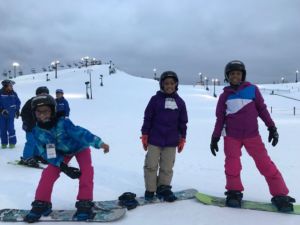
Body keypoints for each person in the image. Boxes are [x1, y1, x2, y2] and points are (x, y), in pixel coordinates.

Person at [210, 60, 295, 212]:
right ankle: (234, 192)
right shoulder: (224, 96)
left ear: (243, 75)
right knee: (232, 165)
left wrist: (271, 127)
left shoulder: (252, 90)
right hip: (231, 136)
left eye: (238, 73)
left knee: (265, 164)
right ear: (227, 76)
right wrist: (215, 137)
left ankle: (280, 194)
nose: (235, 76)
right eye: (232, 74)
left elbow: (262, 110)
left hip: (252, 135)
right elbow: (220, 118)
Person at [24, 94, 109, 223]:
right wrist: (63, 166)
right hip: (62, 153)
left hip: (80, 148)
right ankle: (42, 202)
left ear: (52, 111)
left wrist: (99, 143)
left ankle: (84, 202)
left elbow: (80, 133)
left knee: (86, 171)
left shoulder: (63, 123)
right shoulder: (37, 131)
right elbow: (46, 152)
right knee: (48, 173)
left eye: (46, 111)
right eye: (38, 112)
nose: (42, 115)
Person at [141, 71, 188, 202]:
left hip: (171, 141)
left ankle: (163, 188)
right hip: (154, 139)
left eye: (172, 83)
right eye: (166, 83)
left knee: (167, 167)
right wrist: (145, 134)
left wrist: (182, 138)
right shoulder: (155, 100)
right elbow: (148, 118)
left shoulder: (180, 102)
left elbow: (183, 123)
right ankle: (150, 189)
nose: (169, 86)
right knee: (151, 165)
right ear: (162, 84)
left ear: (176, 85)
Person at [20, 86, 50, 167]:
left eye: (46, 94)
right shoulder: (31, 101)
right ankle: (27, 158)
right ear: (37, 94)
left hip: (40, 126)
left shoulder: (47, 103)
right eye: (42, 94)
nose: (44, 96)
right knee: (31, 141)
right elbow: (23, 112)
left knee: (39, 141)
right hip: (30, 125)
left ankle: (37, 155)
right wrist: (27, 121)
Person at [0, 79, 21, 149]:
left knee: (11, 128)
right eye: (10, 85)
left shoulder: (14, 93)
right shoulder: (0, 93)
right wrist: (2, 110)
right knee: (2, 129)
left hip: (11, 115)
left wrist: (17, 110)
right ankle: (4, 143)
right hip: (2, 116)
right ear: (5, 86)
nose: (12, 87)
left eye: (12, 85)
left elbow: (18, 102)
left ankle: (12, 143)